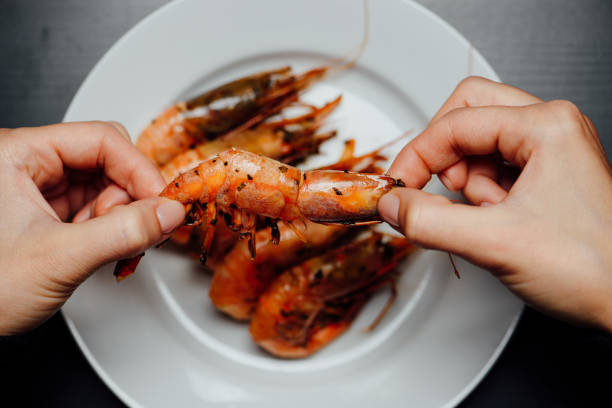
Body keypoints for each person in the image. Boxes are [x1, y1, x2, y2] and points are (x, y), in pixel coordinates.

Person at [0, 77, 610, 336]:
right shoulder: (280, 193)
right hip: (221, 202)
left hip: (237, 201)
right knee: (290, 198)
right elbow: (292, 194)